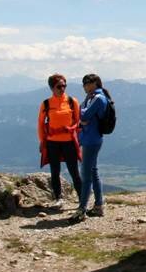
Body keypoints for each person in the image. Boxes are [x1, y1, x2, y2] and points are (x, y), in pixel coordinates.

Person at [37, 73, 81, 209]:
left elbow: (78, 121)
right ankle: (58, 198)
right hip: (52, 142)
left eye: (64, 86)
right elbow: (40, 124)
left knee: (74, 171)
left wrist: (79, 139)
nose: (62, 89)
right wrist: (42, 141)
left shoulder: (72, 101)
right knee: (54, 171)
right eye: (59, 86)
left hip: (69, 141)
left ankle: (82, 198)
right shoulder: (46, 104)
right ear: (52, 88)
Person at [72, 73, 110, 222]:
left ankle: (82, 209)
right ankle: (99, 205)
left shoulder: (98, 98)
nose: (85, 86)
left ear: (95, 83)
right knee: (93, 172)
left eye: (87, 83)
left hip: (91, 140)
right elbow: (82, 115)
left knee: (86, 175)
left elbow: (83, 115)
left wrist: (82, 117)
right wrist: (82, 117)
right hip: (90, 138)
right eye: (83, 83)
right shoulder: (91, 97)